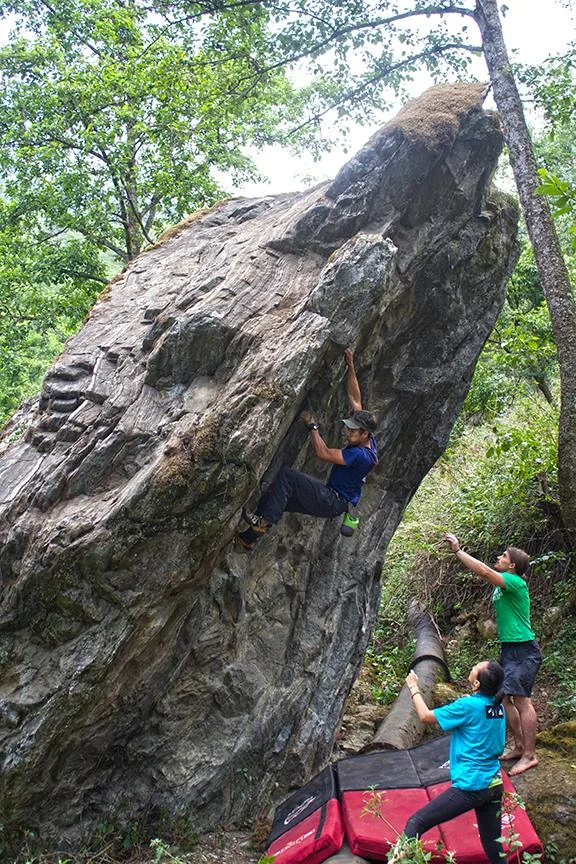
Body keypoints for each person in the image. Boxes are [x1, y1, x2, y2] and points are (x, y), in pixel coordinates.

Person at [236, 348, 378, 552]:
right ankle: (247, 539)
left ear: (364, 433)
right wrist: (350, 365)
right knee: (276, 497)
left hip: (332, 501)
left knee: (287, 477)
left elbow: (323, 453)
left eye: (353, 431)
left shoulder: (361, 456)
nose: (347, 433)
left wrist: (312, 426)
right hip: (331, 501)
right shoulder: (367, 436)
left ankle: (260, 523)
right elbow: (355, 398)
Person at [444, 533, 541, 776]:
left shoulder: (516, 582)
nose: (499, 557)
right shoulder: (506, 581)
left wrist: (458, 551)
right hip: (510, 648)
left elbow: (485, 572)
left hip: (523, 649)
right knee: (503, 697)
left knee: (521, 701)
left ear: (513, 565)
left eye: (504, 556)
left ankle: (530, 755)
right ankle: (519, 746)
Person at [395, 661, 506, 864]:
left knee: (416, 822)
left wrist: (412, 687)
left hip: (472, 786)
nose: (472, 667)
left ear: (476, 685)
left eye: (475, 668)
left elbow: (425, 716)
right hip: (494, 784)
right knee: (494, 849)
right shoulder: (497, 707)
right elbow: (479, 716)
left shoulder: (468, 706)